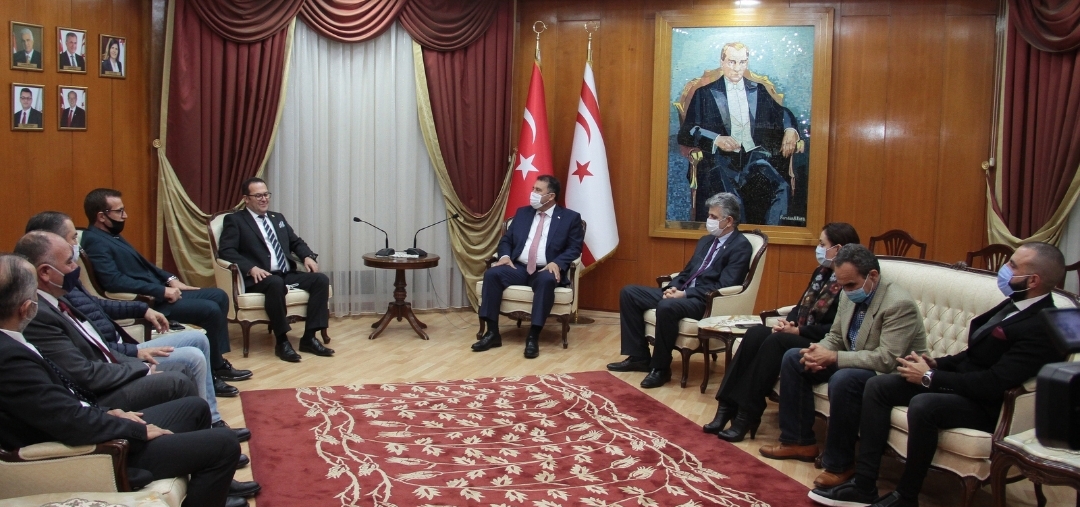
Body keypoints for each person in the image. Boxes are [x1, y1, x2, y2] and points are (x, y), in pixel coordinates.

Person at [808, 242, 1069, 507]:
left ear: (1033, 280)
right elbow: (973, 355)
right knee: (878, 386)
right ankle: (864, 486)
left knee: (925, 405)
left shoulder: (1043, 324)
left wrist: (930, 377)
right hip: (962, 385)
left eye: (1013, 265)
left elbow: (994, 383)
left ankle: (906, 497)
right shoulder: (1015, 303)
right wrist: (934, 363)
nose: (1005, 269)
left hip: (988, 405)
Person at [0, 254, 251, 507]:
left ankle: (211, 486)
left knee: (195, 409)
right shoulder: (10, 359)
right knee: (225, 445)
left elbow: (61, 403)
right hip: (92, 452)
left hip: (94, 423)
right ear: (26, 308)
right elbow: (69, 421)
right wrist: (132, 429)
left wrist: (109, 412)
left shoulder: (13, 342)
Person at [25, 211, 250, 441]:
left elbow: (99, 306)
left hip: (120, 348)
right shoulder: (52, 299)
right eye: (73, 239)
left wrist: (142, 308)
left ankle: (212, 411)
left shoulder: (63, 288)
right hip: (117, 356)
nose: (77, 248)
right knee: (192, 355)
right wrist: (136, 357)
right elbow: (89, 356)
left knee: (202, 333)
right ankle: (206, 430)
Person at [757, 244, 928, 490]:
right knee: (795, 358)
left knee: (844, 380)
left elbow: (886, 359)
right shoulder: (849, 294)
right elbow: (836, 336)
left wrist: (834, 357)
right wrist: (819, 350)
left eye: (850, 285)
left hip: (890, 373)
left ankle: (840, 464)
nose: (846, 291)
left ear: (872, 276)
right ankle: (798, 441)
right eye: (841, 285)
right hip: (855, 360)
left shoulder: (898, 304)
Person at [80, 188, 252, 392]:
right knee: (210, 309)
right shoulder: (95, 241)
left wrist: (171, 280)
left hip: (160, 292)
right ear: (101, 216)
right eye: (119, 211)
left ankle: (217, 362)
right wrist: (161, 291)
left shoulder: (111, 235)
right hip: (150, 301)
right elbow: (114, 282)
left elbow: (146, 266)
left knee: (219, 295)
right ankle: (213, 375)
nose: (125, 216)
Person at [704, 223, 860, 442]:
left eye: (822, 244)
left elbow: (837, 328)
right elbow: (800, 306)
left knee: (776, 342)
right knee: (756, 334)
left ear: (838, 249)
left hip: (823, 340)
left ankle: (747, 414)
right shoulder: (821, 272)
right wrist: (789, 323)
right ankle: (726, 407)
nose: (818, 248)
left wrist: (798, 330)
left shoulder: (850, 282)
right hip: (800, 331)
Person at [16, 231, 197, 412]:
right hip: (97, 396)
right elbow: (83, 374)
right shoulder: (39, 314)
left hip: (111, 368)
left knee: (182, 369)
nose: (76, 268)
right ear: (45, 272)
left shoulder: (60, 298)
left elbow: (99, 347)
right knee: (178, 381)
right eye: (69, 262)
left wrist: (136, 365)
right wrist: (140, 368)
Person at [608, 192, 752, 388]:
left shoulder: (741, 246)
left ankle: (661, 369)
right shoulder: (706, 241)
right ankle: (639, 357)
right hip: (682, 293)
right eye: (709, 215)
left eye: (713, 217)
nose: (708, 220)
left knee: (667, 307)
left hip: (705, 301)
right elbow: (687, 272)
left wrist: (684, 294)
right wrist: (672, 288)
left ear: (729, 221)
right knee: (629, 293)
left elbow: (724, 286)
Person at [677, 42, 800, 225]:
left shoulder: (758, 90)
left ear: (747, 63)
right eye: (732, 62)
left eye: (742, 62)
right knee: (732, 202)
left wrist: (790, 129)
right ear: (722, 62)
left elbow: (782, 113)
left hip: (755, 159)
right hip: (720, 161)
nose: (737, 68)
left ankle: (769, 236)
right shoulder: (704, 94)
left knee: (781, 187)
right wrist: (716, 139)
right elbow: (686, 132)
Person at [217, 177, 334, 362]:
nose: (264, 199)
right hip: (260, 277)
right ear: (246, 199)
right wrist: (250, 268)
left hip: (285, 273)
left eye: (266, 194)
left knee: (320, 280)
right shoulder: (236, 220)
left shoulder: (277, 218)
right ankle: (282, 342)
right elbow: (226, 250)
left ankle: (309, 338)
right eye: (258, 196)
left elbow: (296, 242)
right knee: (275, 283)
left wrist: (307, 256)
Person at [473, 175, 585, 359]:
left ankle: (533, 336)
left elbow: (574, 248)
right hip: (518, 267)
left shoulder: (569, 218)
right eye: (533, 188)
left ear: (551, 196)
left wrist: (557, 262)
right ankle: (492, 333)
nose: (532, 193)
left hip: (545, 269)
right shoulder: (523, 213)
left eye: (538, 190)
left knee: (547, 281)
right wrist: (505, 256)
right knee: (492, 274)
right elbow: (506, 240)